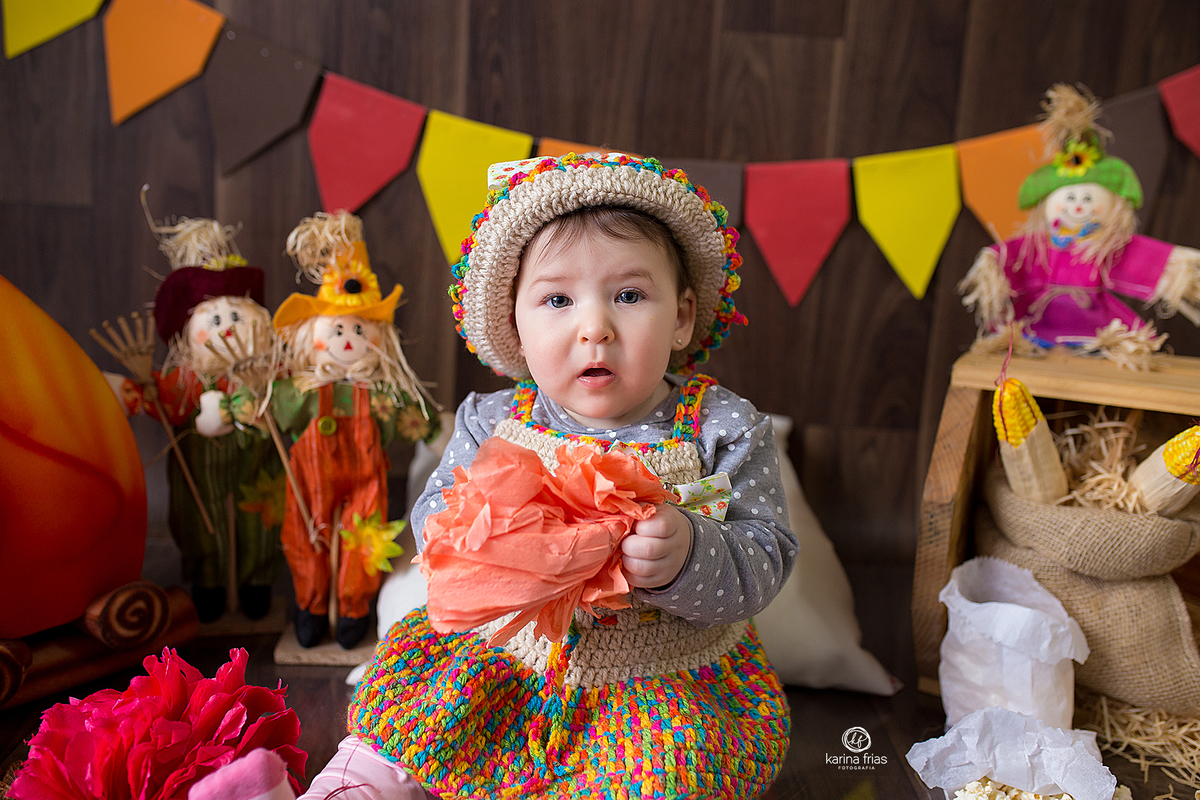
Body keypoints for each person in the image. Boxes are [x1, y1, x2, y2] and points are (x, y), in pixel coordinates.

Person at [197, 153, 794, 800]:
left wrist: (688, 553)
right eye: (558, 299)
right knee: (410, 730)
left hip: (656, 689)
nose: (594, 327)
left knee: (666, 779)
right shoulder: (495, 421)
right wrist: (484, 535)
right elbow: (435, 530)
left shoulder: (721, 429)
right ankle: (341, 791)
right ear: (515, 323)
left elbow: (765, 557)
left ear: (680, 317)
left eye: (628, 295)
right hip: (500, 661)